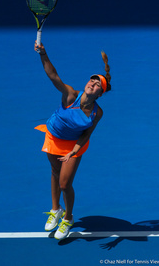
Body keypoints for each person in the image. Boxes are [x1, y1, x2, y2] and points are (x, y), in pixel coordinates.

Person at [34, 41, 111, 240]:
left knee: (65, 184)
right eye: (91, 81)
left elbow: (86, 134)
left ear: (100, 94)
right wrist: (43, 53)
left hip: (73, 145)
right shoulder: (70, 95)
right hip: (53, 136)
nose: (92, 84)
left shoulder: (97, 113)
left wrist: (73, 151)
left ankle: (68, 218)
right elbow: (53, 75)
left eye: (96, 85)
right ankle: (55, 209)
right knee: (54, 172)